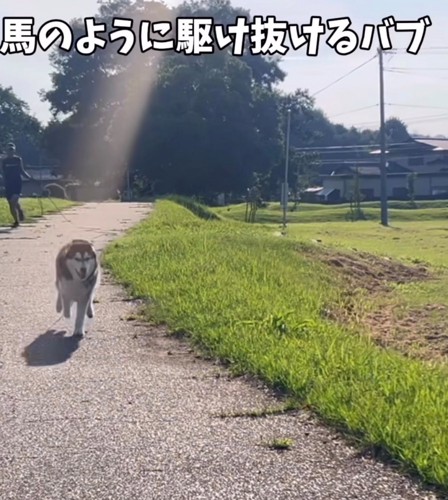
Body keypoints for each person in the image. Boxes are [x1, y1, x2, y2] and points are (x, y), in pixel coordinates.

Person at [1, 143, 32, 228]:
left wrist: (29, 177)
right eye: (9, 150)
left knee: (13, 201)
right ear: (6, 151)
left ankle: (16, 221)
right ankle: (18, 215)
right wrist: (3, 183)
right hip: (8, 184)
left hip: (17, 183)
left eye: (12, 150)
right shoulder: (4, 161)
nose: (10, 151)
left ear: (14, 150)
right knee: (11, 204)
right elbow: (3, 173)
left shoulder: (18, 159)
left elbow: (22, 171)